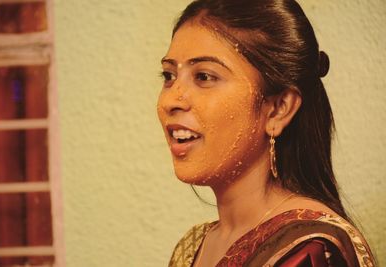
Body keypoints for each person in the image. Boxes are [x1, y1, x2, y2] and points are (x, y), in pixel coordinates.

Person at [156, 0, 376, 266]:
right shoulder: (193, 246)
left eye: (204, 76)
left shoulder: (311, 251)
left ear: (278, 109)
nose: (171, 101)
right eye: (168, 76)